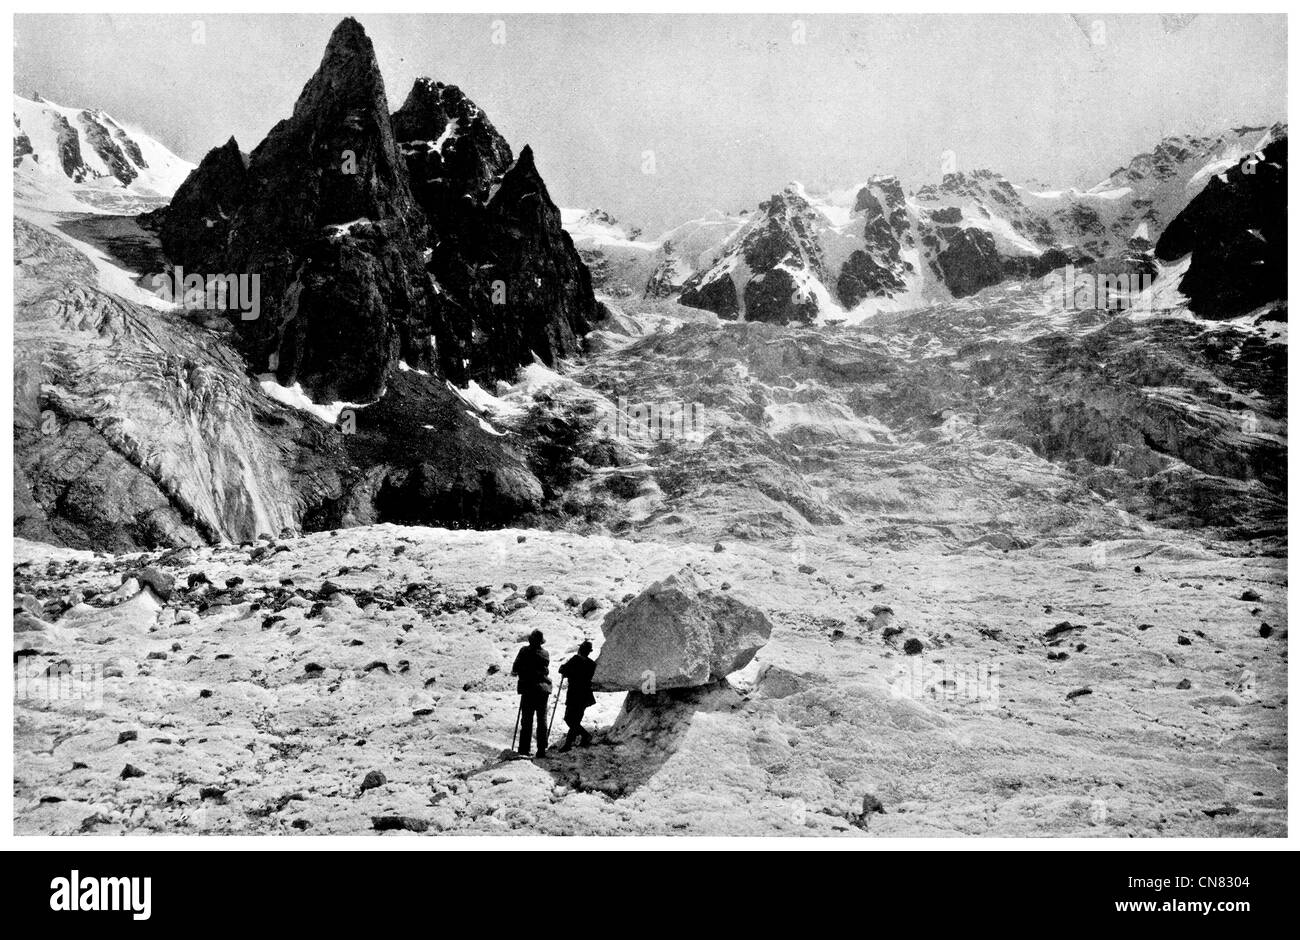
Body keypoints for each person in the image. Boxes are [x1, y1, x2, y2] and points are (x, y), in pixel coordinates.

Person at [511, 629, 552, 758]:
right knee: (542, 719)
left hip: (528, 689)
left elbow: (515, 668)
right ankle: (541, 749)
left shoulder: (524, 651)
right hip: (543, 689)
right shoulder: (545, 653)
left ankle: (524, 749)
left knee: (527, 719)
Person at [558, 639, 597, 752]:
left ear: (581, 649)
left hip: (574, 694)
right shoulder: (592, 664)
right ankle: (583, 736)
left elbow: (563, 670)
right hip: (585, 696)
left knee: (570, 719)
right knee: (575, 719)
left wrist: (563, 669)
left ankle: (569, 743)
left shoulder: (576, 659)